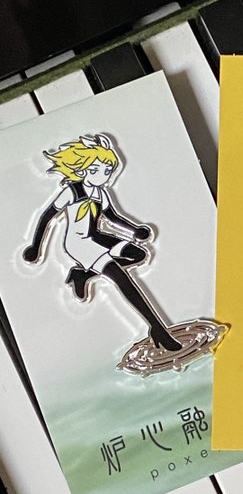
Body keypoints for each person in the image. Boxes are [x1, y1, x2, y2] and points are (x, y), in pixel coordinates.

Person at [23, 134, 181, 351]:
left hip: (97, 236)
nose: (104, 175)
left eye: (107, 170)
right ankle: (157, 328)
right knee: (121, 278)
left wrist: (135, 230)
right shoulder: (72, 191)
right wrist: (36, 247)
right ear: (82, 170)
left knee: (139, 255)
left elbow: (113, 218)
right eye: (97, 170)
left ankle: (83, 275)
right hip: (79, 244)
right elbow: (47, 217)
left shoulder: (101, 193)